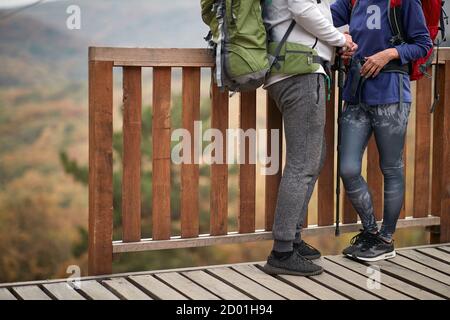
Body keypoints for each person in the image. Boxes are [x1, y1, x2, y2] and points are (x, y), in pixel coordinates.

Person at [331, 0, 432, 261]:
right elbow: (323, 20)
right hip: (356, 93)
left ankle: (386, 239)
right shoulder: (351, 0)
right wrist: (343, 43)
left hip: (391, 93)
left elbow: (422, 43)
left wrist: (389, 53)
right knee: (348, 168)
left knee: (391, 167)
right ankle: (370, 231)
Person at [262, 0, 357, 276]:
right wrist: (340, 39)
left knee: (314, 155)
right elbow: (302, 10)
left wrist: (339, 34)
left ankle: (291, 238)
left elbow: (307, 14)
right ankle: (282, 251)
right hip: (300, 73)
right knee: (303, 162)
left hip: (294, 70)